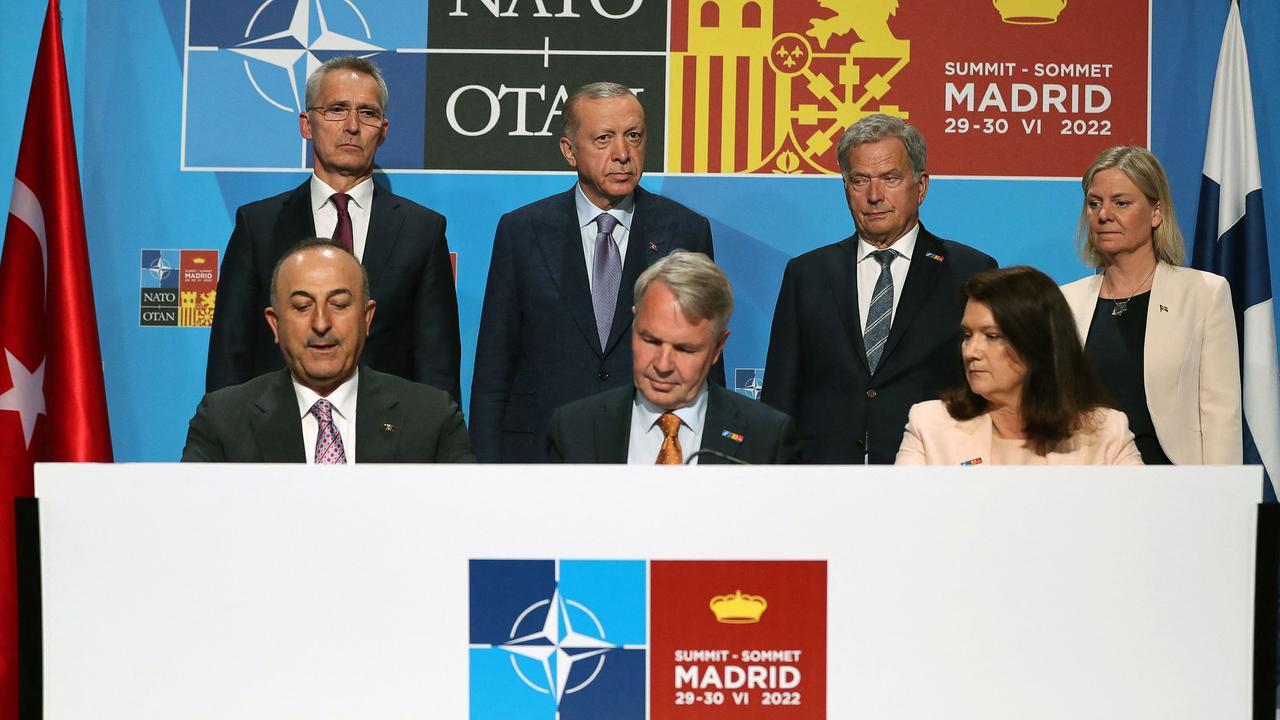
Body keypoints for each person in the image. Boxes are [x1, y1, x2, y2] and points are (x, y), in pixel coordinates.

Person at [471, 81, 719, 462]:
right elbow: (494, 368)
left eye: (633, 136)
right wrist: (483, 470)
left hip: (646, 451)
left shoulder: (685, 231)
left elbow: (704, 359)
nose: (623, 154)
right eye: (604, 138)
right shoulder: (522, 231)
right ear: (569, 151)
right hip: (541, 454)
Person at [205, 56, 461, 403]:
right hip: (277, 439)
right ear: (306, 124)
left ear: (383, 131)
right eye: (337, 109)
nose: (352, 126)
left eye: (367, 113)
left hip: (386, 440)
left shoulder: (422, 230)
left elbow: (437, 369)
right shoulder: (258, 226)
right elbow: (229, 358)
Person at [762, 114, 996, 463]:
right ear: (845, 187)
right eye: (860, 180)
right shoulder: (806, 273)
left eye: (890, 178)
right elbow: (779, 398)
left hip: (932, 476)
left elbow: (989, 389)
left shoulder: (970, 272)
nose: (874, 195)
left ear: (921, 186)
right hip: (824, 481)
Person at [183, 240, 473, 463]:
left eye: (339, 304)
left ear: (366, 317)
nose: (321, 323)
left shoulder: (432, 419)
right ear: (275, 324)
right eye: (301, 306)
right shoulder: (222, 421)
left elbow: (465, 527)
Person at [1060, 146, 1241, 464]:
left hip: (1174, 487)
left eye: (1121, 202)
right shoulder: (1066, 302)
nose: (1104, 215)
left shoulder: (1203, 293)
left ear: (1156, 212)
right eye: (1094, 203)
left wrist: (1219, 501)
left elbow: (1220, 415)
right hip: (1088, 487)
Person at [547, 251, 799, 464]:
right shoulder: (574, 429)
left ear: (717, 347)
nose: (662, 365)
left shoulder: (765, 437)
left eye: (685, 349)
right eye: (651, 340)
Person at [897, 266, 1141, 465]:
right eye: (968, 335)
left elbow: (1143, 519)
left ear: (1037, 343)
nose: (971, 351)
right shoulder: (929, 426)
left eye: (992, 336)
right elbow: (903, 519)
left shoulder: (1106, 433)